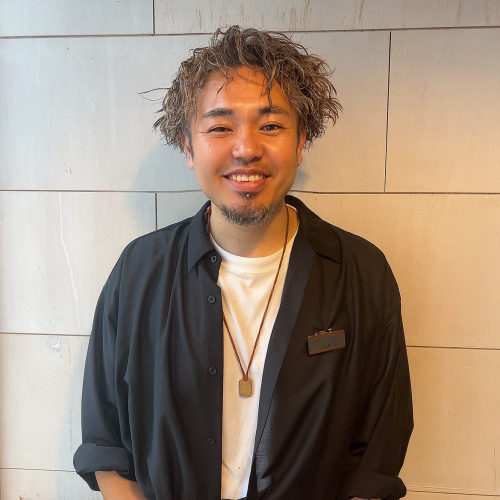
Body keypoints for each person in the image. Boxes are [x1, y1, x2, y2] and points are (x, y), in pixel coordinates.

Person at [74, 26, 413, 500]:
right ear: (188, 146)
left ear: (301, 140)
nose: (246, 148)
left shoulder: (360, 273)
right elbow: (106, 442)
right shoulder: (139, 271)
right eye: (219, 127)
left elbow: (377, 452)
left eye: (270, 126)